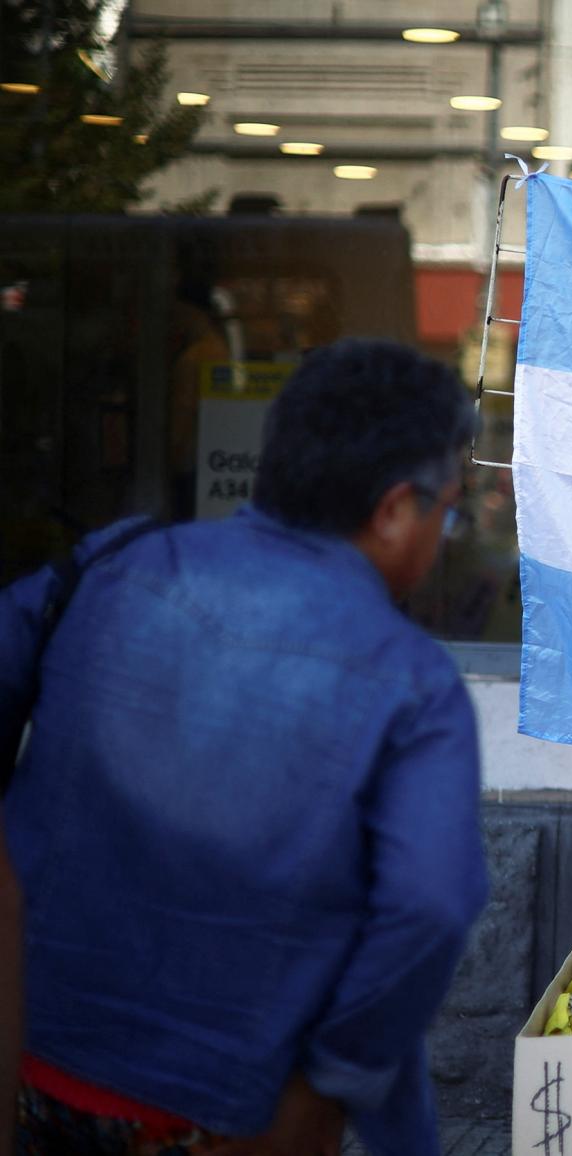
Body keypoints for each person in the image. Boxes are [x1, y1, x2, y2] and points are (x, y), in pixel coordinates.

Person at [0, 340, 490, 1155]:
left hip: (36, 1075)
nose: (446, 531)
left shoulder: (109, 567)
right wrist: (334, 1078)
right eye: (448, 509)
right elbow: (430, 906)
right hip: (229, 1115)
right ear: (397, 509)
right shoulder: (415, 684)